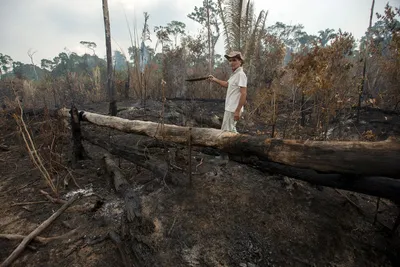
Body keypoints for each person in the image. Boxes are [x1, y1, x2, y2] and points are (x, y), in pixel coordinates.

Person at [208, 51, 247, 133]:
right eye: (230, 60)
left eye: (234, 60)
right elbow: (227, 84)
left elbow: (243, 93)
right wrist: (214, 79)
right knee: (230, 131)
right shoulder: (235, 74)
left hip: (233, 109)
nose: (231, 62)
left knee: (226, 133)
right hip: (230, 108)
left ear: (240, 61)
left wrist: (237, 110)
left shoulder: (241, 75)